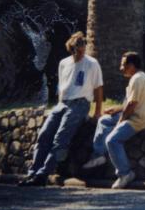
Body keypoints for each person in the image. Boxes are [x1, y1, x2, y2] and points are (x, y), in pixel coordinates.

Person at [19, 31, 103, 186]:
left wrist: (98, 110)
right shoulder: (64, 63)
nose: (79, 51)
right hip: (62, 103)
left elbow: (98, 88)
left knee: (60, 138)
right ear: (71, 48)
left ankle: (43, 174)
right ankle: (32, 172)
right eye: (76, 48)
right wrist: (58, 104)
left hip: (80, 103)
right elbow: (62, 85)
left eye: (82, 47)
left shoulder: (92, 63)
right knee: (44, 135)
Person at [81, 51, 145, 189]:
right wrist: (117, 109)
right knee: (103, 121)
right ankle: (98, 155)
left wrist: (120, 121)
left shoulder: (137, 79)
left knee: (112, 139)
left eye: (123, 65)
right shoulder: (138, 77)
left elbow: (132, 105)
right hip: (134, 115)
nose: (121, 68)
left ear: (132, 65)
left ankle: (125, 173)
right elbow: (132, 103)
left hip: (137, 120)